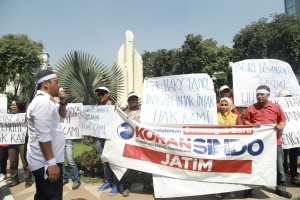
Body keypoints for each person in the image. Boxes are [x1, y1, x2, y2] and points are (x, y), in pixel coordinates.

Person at [242, 85, 292, 199]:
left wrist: (279, 126)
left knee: (279, 167)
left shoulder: (275, 107)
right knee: (254, 166)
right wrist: (252, 125)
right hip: (256, 144)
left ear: (268, 95)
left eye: (262, 94)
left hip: (275, 143)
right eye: (258, 94)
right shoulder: (251, 108)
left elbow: (283, 121)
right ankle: (250, 188)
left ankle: (281, 188)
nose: (259, 97)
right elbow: (244, 120)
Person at [27, 69, 67, 200]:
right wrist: (51, 163)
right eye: (56, 82)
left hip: (48, 160)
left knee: (45, 195)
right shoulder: (42, 103)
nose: (58, 85)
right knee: (51, 196)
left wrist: (62, 103)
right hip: (45, 163)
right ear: (45, 84)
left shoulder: (47, 102)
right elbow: (43, 136)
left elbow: (61, 117)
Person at [121, 92, 153, 197]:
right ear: (128, 101)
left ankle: (147, 184)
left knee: (146, 163)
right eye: (131, 99)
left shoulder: (144, 112)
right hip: (129, 142)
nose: (134, 101)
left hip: (143, 142)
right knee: (127, 165)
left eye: (135, 99)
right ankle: (126, 186)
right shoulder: (123, 113)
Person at [95, 86, 120, 196]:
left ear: (108, 94)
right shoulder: (96, 108)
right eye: (99, 94)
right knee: (104, 161)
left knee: (113, 160)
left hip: (111, 138)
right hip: (100, 137)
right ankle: (108, 181)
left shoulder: (115, 106)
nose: (100, 96)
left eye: (103, 93)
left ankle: (116, 184)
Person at [215, 97, 241, 198]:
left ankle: (231, 190)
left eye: (226, 105)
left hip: (232, 146)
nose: (224, 107)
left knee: (231, 168)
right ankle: (219, 190)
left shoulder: (235, 116)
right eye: (222, 105)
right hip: (218, 146)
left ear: (230, 106)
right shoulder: (215, 116)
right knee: (219, 169)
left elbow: (242, 129)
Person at [8, 100, 33, 188]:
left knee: (25, 161)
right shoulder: (8, 117)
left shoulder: (25, 116)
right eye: (11, 105)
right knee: (12, 161)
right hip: (12, 142)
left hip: (23, 141)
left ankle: (28, 179)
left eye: (14, 105)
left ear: (19, 106)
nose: (12, 107)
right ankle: (14, 180)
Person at [278, 89, 300, 186]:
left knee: (294, 156)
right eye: (285, 97)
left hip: (294, 137)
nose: (287, 99)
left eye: (289, 97)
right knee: (283, 158)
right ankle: (286, 177)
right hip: (283, 136)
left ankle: (294, 176)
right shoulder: (277, 108)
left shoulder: (296, 107)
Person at [61, 90, 81, 190]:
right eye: (60, 93)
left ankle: (76, 180)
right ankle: (64, 178)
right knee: (60, 161)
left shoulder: (73, 107)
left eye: (63, 93)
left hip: (68, 137)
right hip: (58, 139)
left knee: (70, 161)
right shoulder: (55, 107)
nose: (61, 94)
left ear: (66, 95)